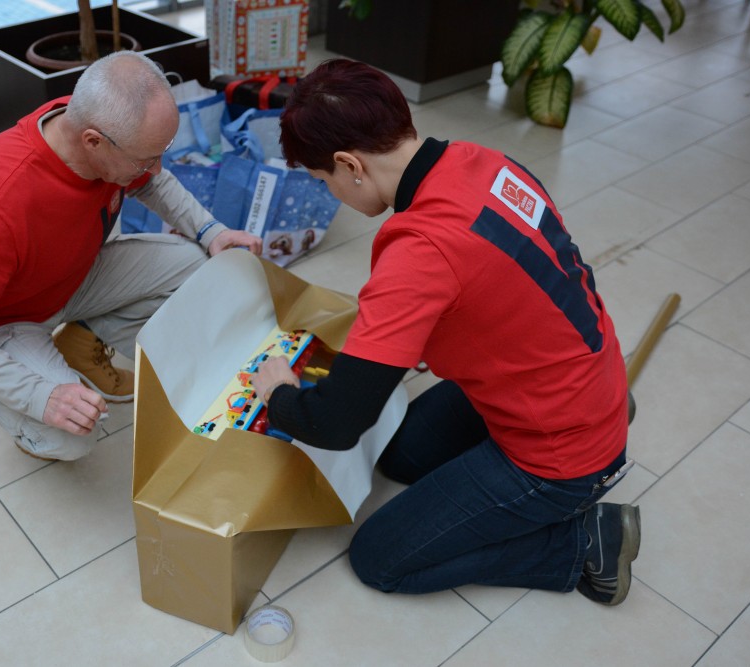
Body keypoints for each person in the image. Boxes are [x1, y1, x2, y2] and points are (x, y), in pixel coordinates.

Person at [251, 59, 640, 606]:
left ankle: (582, 544)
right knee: (399, 454)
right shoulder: (484, 162)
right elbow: (529, 273)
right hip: (580, 376)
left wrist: (279, 395)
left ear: (349, 164)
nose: (332, 194)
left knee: (379, 560)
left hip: (559, 454)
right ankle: (597, 413)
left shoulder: (419, 252)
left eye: (324, 181)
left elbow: (336, 424)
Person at [0, 51, 261, 462]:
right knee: (72, 438)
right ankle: (14, 395)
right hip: (8, 319)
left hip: (75, 277)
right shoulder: (0, 201)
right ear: (93, 141)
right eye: (145, 159)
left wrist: (212, 231)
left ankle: (80, 339)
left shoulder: (91, 121)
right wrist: (39, 396)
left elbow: (151, 182)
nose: (155, 168)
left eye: (161, 152)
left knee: (198, 263)